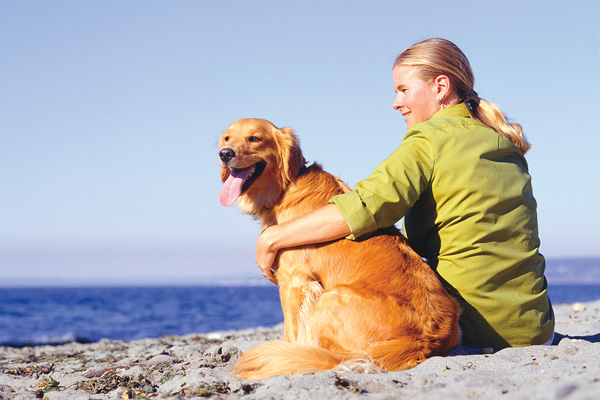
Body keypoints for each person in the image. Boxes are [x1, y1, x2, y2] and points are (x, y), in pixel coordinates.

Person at [255, 38, 554, 352]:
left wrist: (272, 238)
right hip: (537, 329)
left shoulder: (428, 139)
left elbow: (363, 209)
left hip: (477, 331)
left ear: (441, 87)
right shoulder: (501, 139)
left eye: (403, 90)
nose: (396, 103)